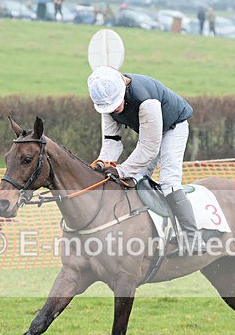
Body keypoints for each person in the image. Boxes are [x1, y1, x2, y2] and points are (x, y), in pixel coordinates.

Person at [86, 66, 205, 254]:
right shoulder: (106, 102)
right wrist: (102, 163)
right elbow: (112, 142)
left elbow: (149, 148)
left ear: (122, 89)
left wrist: (121, 170)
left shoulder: (145, 100)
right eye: (109, 108)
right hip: (149, 133)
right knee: (136, 180)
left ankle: (193, 239)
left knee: (169, 182)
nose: (115, 110)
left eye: (116, 103)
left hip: (174, 127)